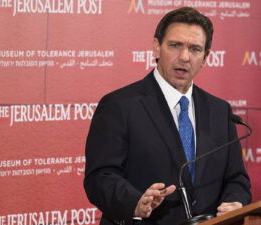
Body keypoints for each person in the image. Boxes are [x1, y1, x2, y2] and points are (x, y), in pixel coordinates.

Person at [84, 7, 251, 225]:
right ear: (156, 48)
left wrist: (235, 202)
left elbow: (236, 179)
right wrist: (135, 202)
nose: (184, 57)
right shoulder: (119, 105)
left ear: (205, 57)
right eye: (175, 45)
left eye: (195, 49)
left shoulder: (220, 111)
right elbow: (100, 177)